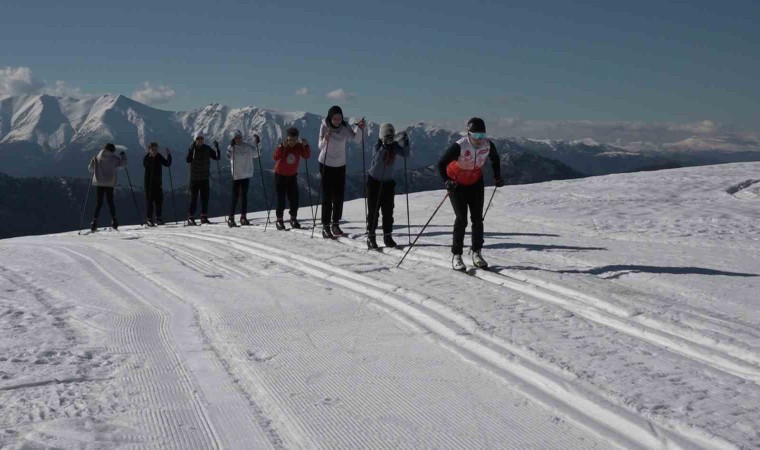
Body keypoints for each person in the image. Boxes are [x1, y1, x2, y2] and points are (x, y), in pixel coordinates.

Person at [437, 118, 503, 271]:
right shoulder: (459, 146)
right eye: (476, 135)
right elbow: (441, 164)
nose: (480, 139)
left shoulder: (488, 145)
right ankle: (457, 255)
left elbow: (495, 159)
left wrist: (497, 176)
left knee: (477, 219)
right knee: (461, 219)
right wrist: (447, 181)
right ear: (469, 134)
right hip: (457, 183)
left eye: (482, 135)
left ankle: (477, 252)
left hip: (475, 182)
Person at [318, 105, 365, 238]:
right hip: (325, 163)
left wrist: (360, 129)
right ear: (330, 118)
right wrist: (325, 138)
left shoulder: (345, 127)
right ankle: (326, 225)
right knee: (327, 195)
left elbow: (357, 139)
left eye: (339, 118)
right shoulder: (324, 126)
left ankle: (335, 223)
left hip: (340, 164)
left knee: (339, 195)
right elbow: (320, 146)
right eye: (335, 118)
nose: (337, 120)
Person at [366, 123, 410, 249]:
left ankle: (387, 236)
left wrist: (406, 142)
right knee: (373, 212)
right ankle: (371, 236)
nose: (390, 138)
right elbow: (377, 159)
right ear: (382, 136)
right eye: (387, 136)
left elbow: (405, 154)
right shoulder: (377, 146)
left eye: (391, 136)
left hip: (388, 183)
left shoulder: (394, 146)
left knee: (388, 212)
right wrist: (384, 146)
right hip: (374, 182)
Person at [273, 127, 311, 230]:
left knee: (294, 199)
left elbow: (307, 156)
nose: (291, 142)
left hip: (292, 176)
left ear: (297, 139)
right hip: (280, 175)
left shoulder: (298, 146)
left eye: (294, 140)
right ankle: (279, 220)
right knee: (281, 199)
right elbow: (275, 157)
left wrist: (306, 146)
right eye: (290, 140)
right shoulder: (283, 146)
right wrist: (281, 147)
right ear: (287, 138)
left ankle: (293, 218)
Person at [88, 143, 127, 231]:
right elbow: (123, 165)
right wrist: (123, 156)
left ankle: (94, 221)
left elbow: (90, 169)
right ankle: (114, 220)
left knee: (99, 203)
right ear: (112, 150)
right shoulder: (114, 158)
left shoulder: (96, 158)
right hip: (110, 183)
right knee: (110, 202)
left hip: (99, 182)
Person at [185, 131, 220, 225]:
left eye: (201, 138)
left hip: (204, 177)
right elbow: (188, 160)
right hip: (195, 178)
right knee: (194, 198)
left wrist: (217, 148)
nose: (200, 140)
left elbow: (217, 157)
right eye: (198, 138)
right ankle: (191, 217)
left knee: (205, 198)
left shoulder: (207, 148)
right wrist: (191, 150)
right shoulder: (192, 148)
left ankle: (203, 216)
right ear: (195, 140)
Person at [226, 130, 260, 227]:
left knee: (244, 197)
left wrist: (257, 144)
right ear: (233, 138)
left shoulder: (247, 147)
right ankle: (231, 218)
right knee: (235, 197)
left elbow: (256, 154)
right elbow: (228, 157)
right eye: (236, 137)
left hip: (245, 175)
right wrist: (230, 147)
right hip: (236, 175)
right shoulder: (231, 147)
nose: (238, 139)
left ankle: (243, 217)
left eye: (239, 137)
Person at [143, 142, 172, 226]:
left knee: (159, 201)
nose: (154, 151)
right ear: (149, 150)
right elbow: (146, 165)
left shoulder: (159, 156)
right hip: (148, 184)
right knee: (150, 202)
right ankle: (149, 219)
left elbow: (167, 164)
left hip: (158, 183)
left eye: (155, 149)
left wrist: (169, 155)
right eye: (152, 149)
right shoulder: (147, 157)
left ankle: (158, 218)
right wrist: (152, 158)